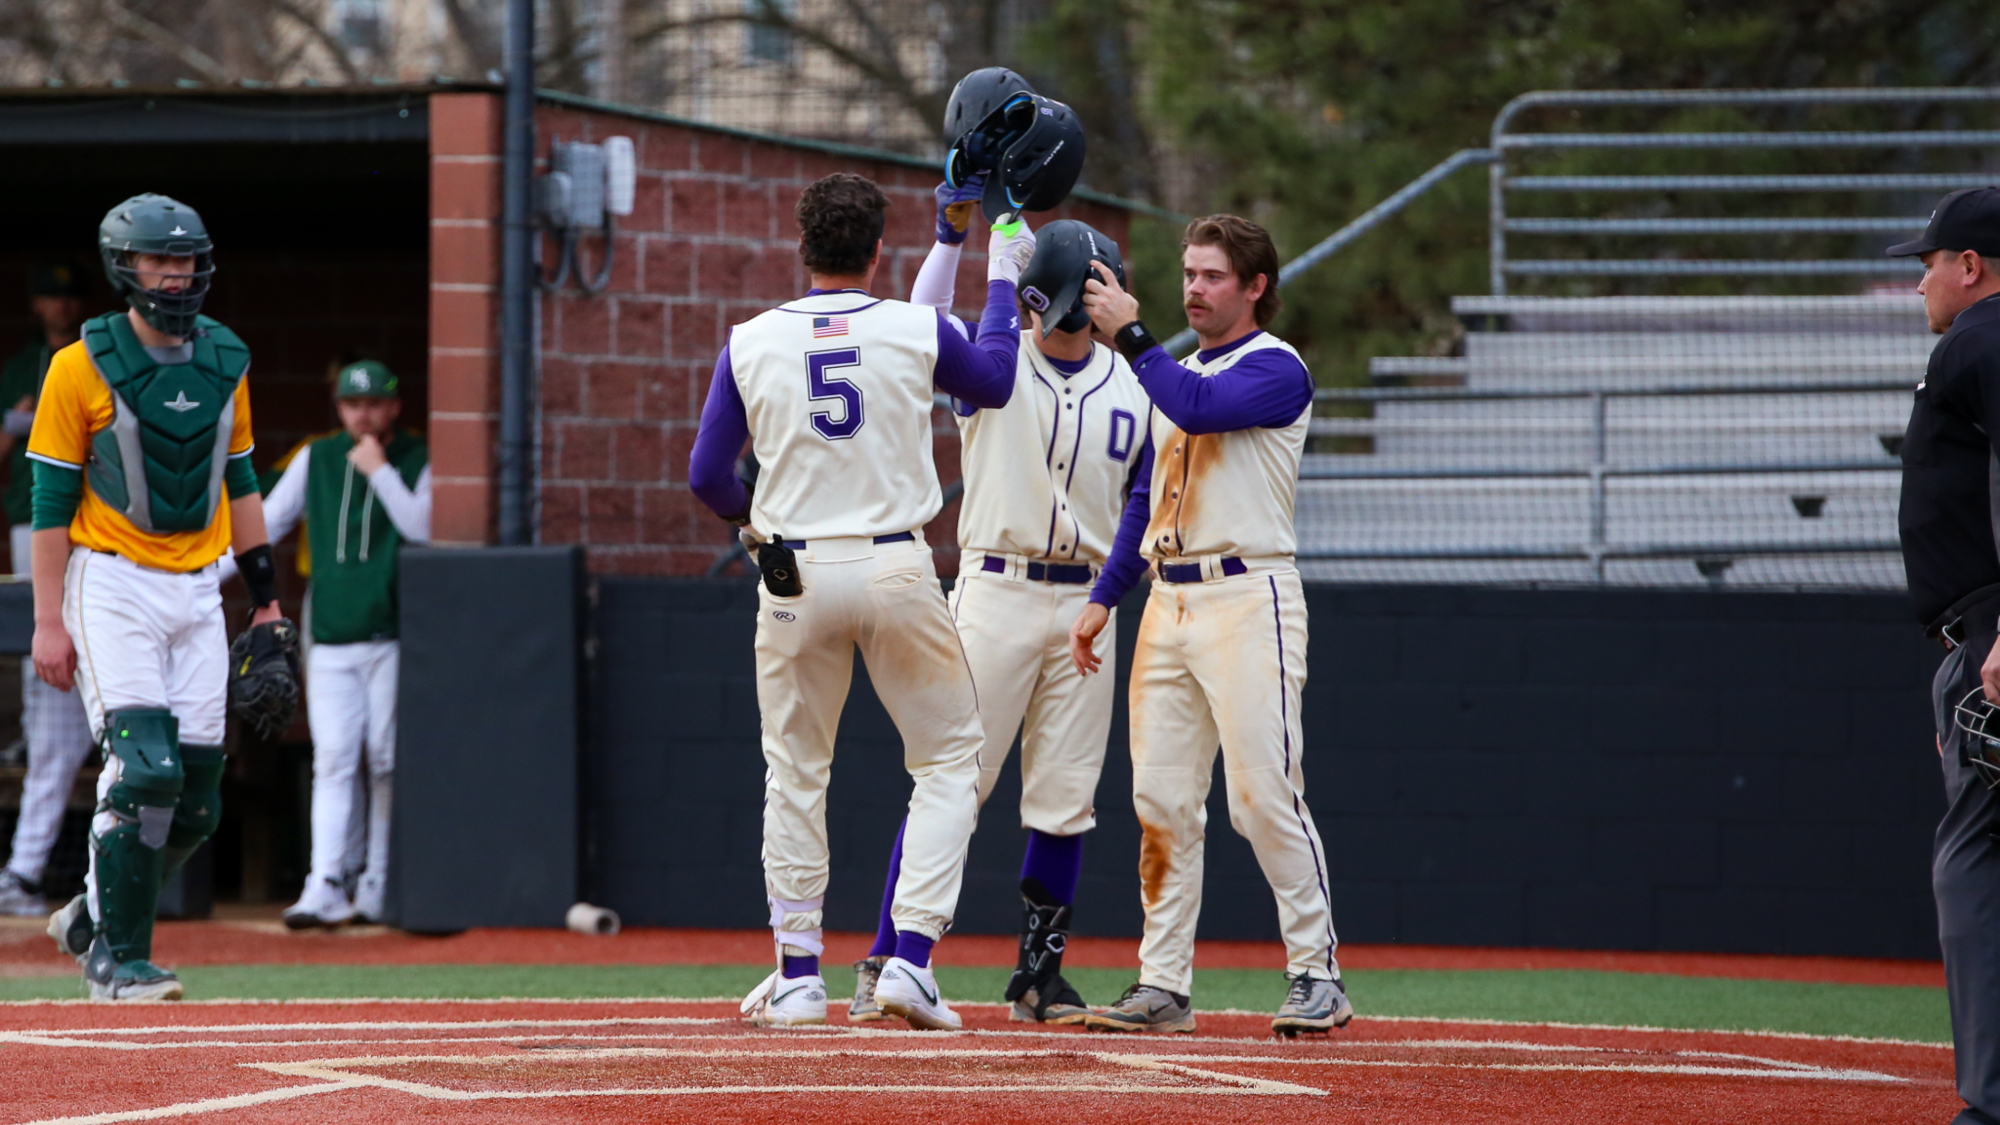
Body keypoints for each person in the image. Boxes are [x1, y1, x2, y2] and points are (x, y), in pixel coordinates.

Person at [687, 172, 1031, 1030]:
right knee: (950, 760)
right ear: (879, 251)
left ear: (802, 246)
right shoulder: (913, 324)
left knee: (796, 771)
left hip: (795, 571)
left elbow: (706, 475)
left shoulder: (750, 338)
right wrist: (1001, 274)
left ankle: (799, 973)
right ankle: (909, 958)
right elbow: (994, 380)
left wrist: (753, 524)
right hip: (894, 566)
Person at [847, 188, 1151, 1025]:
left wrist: (1109, 594)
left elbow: (1141, 500)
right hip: (995, 587)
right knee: (954, 781)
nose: (1052, 317)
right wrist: (962, 237)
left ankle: (1038, 977)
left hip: (1086, 600)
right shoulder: (997, 359)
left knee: (1066, 796)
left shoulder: (1134, 382)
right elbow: (925, 321)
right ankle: (887, 957)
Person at [1072, 213, 1350, 1037]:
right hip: (1169, 596)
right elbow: (1144, 498)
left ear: (1256, 286)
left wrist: (1131, 337)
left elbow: (1198, 409)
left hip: (1247, 594)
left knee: (1262, 795)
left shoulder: (1276, 366)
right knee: (1160, 800)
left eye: (1214, 276)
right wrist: (1105, 594)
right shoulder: (1175, 372)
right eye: (1190, 273)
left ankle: (1317, 971)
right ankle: (1163, 983)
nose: (1194, 288)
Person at [31, 194, 287, 1001]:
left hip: (200, 587)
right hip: (112, 581)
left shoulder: (227, 358)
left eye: (186, 259)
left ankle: (91, 913)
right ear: (125, 267)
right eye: (159, 260)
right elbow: (49, 502)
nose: (176, 274)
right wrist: (47, 620)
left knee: (198, 802)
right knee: (144, 767)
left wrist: (267, 601)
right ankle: (117, 959)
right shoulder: (79, 363)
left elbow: (241, 480)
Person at [245, 360, 429, 928]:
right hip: (329, 634)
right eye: (353, 404)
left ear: (394, 406)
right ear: (339, 406)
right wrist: (197, 581)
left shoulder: (418, 456)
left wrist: (380, 472)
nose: (363, 414)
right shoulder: (317, 456)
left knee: (385, 758)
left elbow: (423, 527)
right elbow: (267, 522)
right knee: (334, 758)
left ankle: (377, 882)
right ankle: (324, 882)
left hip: (391, 632)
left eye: (374, 403)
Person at [1890, 185, 2000, 1125]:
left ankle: (1990, 1103)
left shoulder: (1980, 338)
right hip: (1977, 635)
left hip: (1992, 631)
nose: (1919, 281)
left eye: (1928, 263)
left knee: (1975, 857)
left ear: (1970, 266)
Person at [0, 263, 97, 917]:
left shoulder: (101, 363)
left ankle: (42, 875)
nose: (59, 305)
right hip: (40, 526)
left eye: (69, 295)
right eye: (49, 295)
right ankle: (28, 872)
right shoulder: (22, 366)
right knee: (51, 696)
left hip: (105, 542)